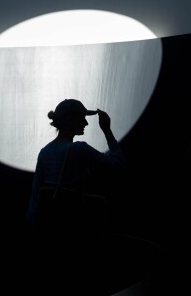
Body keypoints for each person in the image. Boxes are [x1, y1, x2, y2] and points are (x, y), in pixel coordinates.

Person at [26, 98, 126, 234]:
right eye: (82, 117)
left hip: (50, 228)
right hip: (75, 226)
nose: (86, 122)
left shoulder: (44, 152)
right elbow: (117, 165)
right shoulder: (80, 149)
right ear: (70, 120)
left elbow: (35, 196)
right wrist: (107, 131)